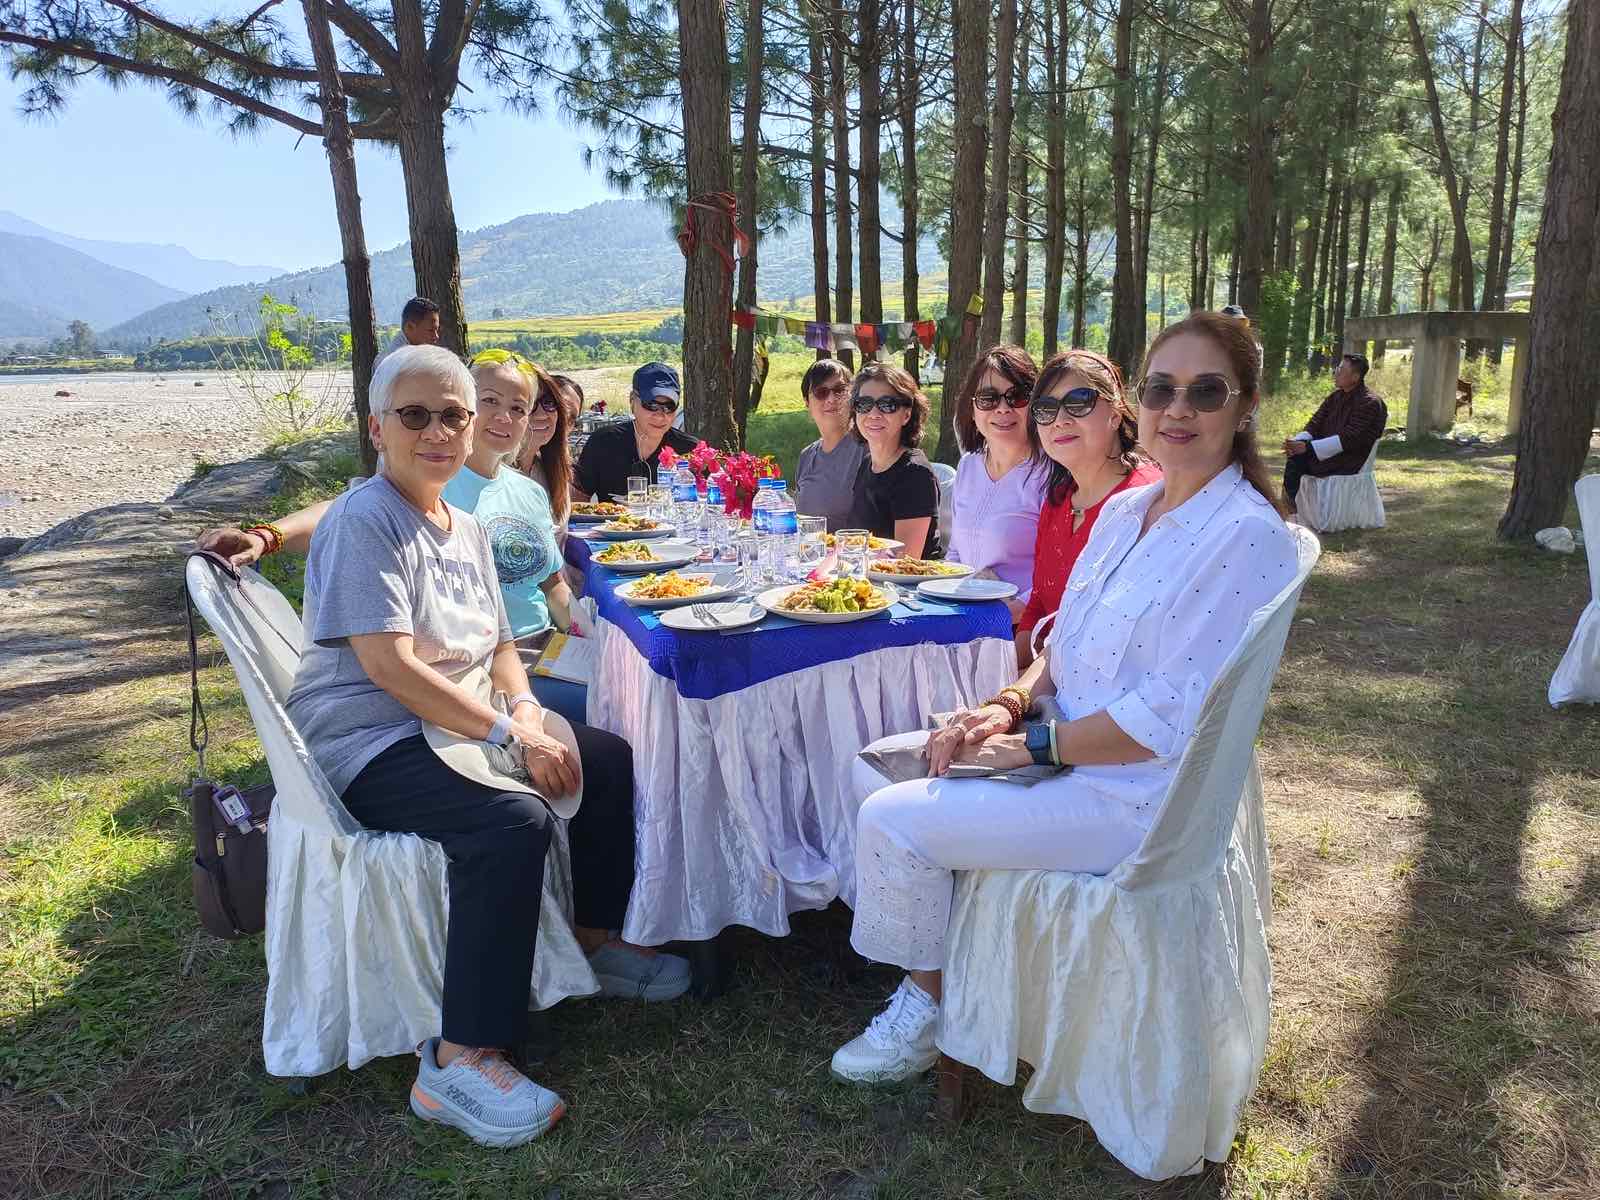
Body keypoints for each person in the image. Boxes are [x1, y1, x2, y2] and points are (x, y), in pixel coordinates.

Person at [830, 311, 1299, 1086]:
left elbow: (1167, 721)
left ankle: (929, 1002)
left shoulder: (1246, 535)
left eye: (1205, 390)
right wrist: (1005, 707)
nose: (1177, 409)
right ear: (1141, 400)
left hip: (1128, 795)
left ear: (1245, 405)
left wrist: (1037, 746)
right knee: (871, 772)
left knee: (890, 819)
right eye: (1163, 388)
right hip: (1059, 743)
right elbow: (1062, 640)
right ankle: (961, 978)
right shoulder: (1123, 510)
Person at [278, 345, 688, 1145]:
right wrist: (508, 733)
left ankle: (586, 947)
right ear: (376, 428)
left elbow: (503, 645)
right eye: (415, 415)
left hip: (455, 718)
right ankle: (460, 1056)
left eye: (453, 416)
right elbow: (387, 667)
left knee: (605, 760)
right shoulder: (368, 520)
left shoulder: (464, 524)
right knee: (511, 823)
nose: (438, 431)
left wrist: (529, 712)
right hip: (370, 737)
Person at [197, 350, 587, 722]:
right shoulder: (432, 474)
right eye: (490, 401)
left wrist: (586, 631)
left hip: (539, 646)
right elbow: (347, 512)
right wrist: (268, 537)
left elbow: (552, 583)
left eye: (518, 408)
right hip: (472, 661)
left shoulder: (528, 492)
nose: (504, 416)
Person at [1014, 349, 1162, 665]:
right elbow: (1039, 605)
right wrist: (1006, 670)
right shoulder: (1059, 499)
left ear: (1115, 413)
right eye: (1046, 409)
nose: (1060, 420)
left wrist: (1017, 692)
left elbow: (1120, 642)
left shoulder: (1148, 501)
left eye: (1079, 402)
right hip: (1042, 679)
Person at [946, 346, 1048, 613]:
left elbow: (1057, 573)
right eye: (988, 398)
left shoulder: (1050, 474)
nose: (1003, 408)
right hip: (966, 614)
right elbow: (955, 554)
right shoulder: (968, 466)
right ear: (973, 408)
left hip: (1019, 628)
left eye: (1017, 396)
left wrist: (1008, 612)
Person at [849, 363, 941, 559]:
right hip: (866, 578)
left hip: (906, 586)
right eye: (864, 404)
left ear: (906, 415)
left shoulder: (915, 474)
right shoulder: (867, 464)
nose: (874, 414)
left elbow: (904, 560)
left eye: (887, 405)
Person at [571, 361, 697, 501]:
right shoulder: (604, 441)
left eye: (669, 406)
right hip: (611, 522)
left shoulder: (689, 449)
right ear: (632, 400)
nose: (661, 415)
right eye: (651, 405)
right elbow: (578, 499)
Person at [1281, 351, 1387, 512]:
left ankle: (1289, 510)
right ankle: (1289, 508)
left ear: (1355, 377)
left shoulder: (1370, 403)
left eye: (1341, 370)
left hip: (1349, 458)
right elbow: (1314, 424)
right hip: (1328, 451)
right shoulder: (1335, 397)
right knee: (1296, 457)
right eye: (1337, 368)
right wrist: (1297, 442)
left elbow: (1349, 438)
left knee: (1299, 460)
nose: (1335, 372)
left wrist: (1307, 448)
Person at [793, 358, 867, 531]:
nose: (831, 399)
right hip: (810, 553)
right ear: (807, 402)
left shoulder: (868, 448)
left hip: (853, 554)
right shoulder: (806, 456)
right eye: (821, 392)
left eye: (840, 390)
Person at [378, 297, 442, 362]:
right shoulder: (394, 360)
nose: (436, 336)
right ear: (410, 327)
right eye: (430, 330)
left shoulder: (418, 354)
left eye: (436, 330)